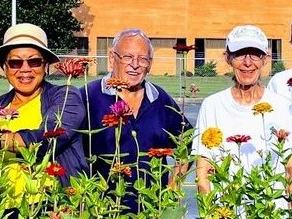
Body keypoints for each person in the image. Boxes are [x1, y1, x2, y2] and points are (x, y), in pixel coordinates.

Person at [80, 28, 192, 212]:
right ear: (111, 58)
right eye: (127, 57)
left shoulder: (160, 99)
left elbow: (186, 141)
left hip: (151, 209)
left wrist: (173, 186)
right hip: (101, 209)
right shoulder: (87, 97)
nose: (135, 65)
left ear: (150, 64)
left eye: (143, 59)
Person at [192, 25, 292, 211]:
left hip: (271, 212)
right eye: (240, 54)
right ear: (228, 58)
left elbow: (290, 169)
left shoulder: (282, 106)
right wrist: (210, 213)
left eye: (255, 54)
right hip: (225, 211)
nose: (248, 62)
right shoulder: (212, 105)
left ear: (265, 59)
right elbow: (203, 171)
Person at [0, 23, 88, 187]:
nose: (25, 69)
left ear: (46, 66)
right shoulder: (2, 104)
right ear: (4, 68)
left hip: (50, 205)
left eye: (34, 61)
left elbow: (50, 136)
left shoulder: (65, 96)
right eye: (15, 63)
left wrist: (6, 140)